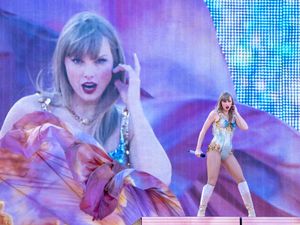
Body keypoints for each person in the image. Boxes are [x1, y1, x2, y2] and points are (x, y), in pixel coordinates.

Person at [0, 11, 183, 224]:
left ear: (115, 64)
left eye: (99, 61)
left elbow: (159, 182)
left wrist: (134, 104)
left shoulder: (125, 123)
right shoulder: (31, 109)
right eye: (78, 60)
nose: (89, 72)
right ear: (63, 62)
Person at [194, 92, 256, 217]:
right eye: (225, 101)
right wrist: (198, 148)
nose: (227, 103)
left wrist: (237, 113)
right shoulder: (214, 114)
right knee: (211, 181)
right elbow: (203, 130)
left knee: (241, 179)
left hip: (227, 151)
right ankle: (201, 211)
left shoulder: (233, 116)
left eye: (229, 101)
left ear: (232, 103)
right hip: (215, 149)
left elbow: (245, 127)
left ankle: (251, 211)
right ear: (220, 102)